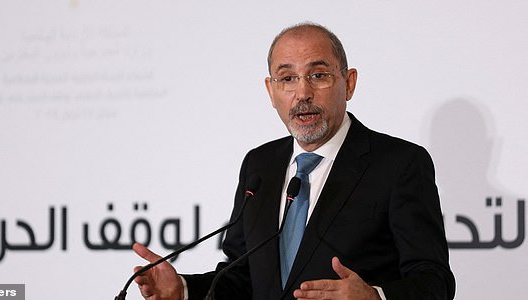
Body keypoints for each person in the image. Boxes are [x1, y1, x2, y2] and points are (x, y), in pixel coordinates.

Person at [131, 22, 456, 300]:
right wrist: (184, 290)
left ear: (350, 82)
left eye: (318, 75)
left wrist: (376, 296)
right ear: (271, 91)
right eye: (287, 79)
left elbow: (434, 280)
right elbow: (242, 278)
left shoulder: (399, 164)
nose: (303, 93)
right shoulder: (260, 165)